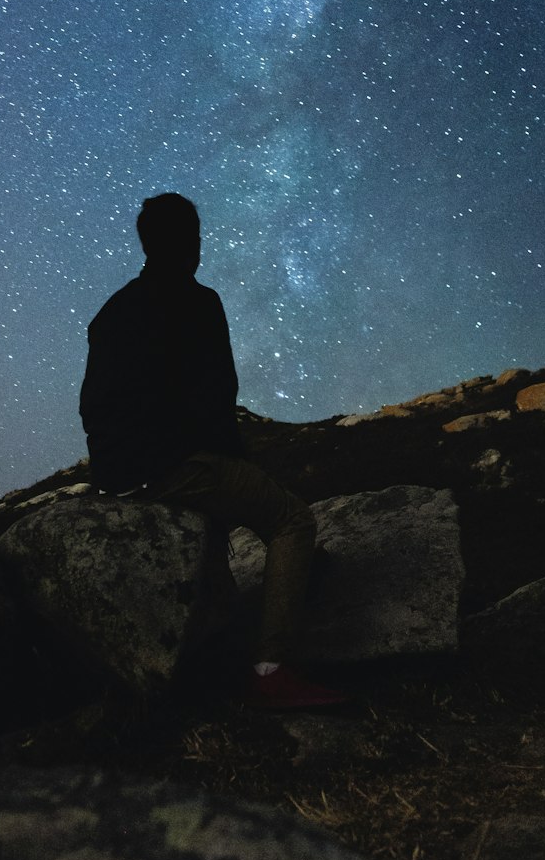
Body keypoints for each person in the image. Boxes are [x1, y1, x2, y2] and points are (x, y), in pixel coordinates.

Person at [79, 192, 345, 709]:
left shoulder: (110, 313)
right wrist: (235, 462)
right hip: (176, 464)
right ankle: (272, 671)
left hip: (118, 473)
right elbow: (215, 398)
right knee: (291, 520)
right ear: (190, 243)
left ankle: (223, 667)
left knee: (214, 534)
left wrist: (112, 466)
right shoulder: (198, 301)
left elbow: (92, 404)